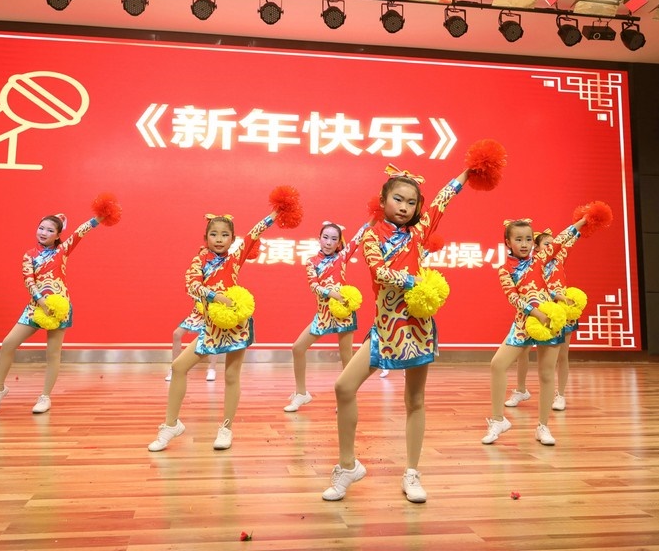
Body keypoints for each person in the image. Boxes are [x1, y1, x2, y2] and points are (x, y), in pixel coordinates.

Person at [322, 164, 469, 504]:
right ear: (383, 201)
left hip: (418, 328)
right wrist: (415, 280)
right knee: (344, 387)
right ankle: (348, 466)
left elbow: (443, 200)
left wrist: (467, 173)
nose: (404, 207)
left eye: (411, 202)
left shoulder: (420, 233)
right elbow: (379, 272)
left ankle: (412, 472)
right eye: (398, 199)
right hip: (385, 328)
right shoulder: (372, 236)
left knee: (414, 401)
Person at [147, 209, 279, 452]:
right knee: (178, 367)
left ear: (232, 239)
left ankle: (226, 429)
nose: (219, 239)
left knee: (231, 376)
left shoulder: (235, 258)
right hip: (211, 326)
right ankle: (171, 425)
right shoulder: (199, 260)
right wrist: (215, 297)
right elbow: (191, 285)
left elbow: (254, 233)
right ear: (206, 237)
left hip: (236, 325)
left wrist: (276, 213)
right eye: (214, 234)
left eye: (225, 235)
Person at [0, 208, 113, 415]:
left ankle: (45, 396)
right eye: (41, 228)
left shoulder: (63, 250)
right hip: (35, 307)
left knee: (53, 353)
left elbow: (80, 232)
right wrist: (41, 301)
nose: (43, 233)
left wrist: (98, 218)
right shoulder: (29, 255)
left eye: (50, 230)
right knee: (8, 343)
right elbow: (28, 280)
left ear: (58, 235)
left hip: (59, 308)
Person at [482, 218, 585, 446]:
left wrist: (583, 221)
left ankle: (543, 427)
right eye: (518, 239)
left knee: (546, 374)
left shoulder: (539, 259)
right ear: (507, 242)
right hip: (524, 323)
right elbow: (513, 297)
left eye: (528, 239)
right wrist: (534, 312)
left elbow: (560, 241)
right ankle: (498, 420)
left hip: (548, 321)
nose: (524, 244)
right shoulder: (505, 270)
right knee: (497, 364)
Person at [284, 221, 367, 412]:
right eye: (325, 237)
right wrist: (332, 294)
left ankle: (347, 397)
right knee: (298, 348)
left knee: (347, 356)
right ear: (319, 239)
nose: (329, 242)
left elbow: (358, 237)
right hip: (323, 314)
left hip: (343, 312)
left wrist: (373, 218)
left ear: (339, 243)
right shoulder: (312, 262)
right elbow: (313, 285)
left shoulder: (342, 257)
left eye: (334, 239)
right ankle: (301, 393)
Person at [504, 230, 575, 411]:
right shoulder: (532, 265)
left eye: (553, 244)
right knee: (522, 352)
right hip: (536, 312)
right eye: (547, 244)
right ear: (536, 248)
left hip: (558, 313)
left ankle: (560, 394)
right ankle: (521, 390)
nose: (552, 247)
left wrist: (585, 221)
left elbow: (568, 239)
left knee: (562, 355)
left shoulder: (559, 258)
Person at [166, 298, 219, 382]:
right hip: (197, 313)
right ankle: (174, 369)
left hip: (213, 312)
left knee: (214, 336)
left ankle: (212, 369)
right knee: (176, 334)